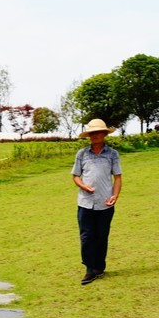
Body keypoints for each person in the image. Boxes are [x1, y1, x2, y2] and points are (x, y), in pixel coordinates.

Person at [71, 118, 122, 285]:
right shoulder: (82, 154)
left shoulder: (112, 154)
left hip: (105, 203)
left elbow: (118, 178)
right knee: (87, 237)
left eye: (97, 132)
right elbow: (75, 176)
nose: (94, 136)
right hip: (85, 203)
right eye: (91, 133)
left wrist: (115, 195)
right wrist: (83, 186)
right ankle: (89, 268)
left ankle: (100, 266)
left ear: (104, 134)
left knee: (101, 236)